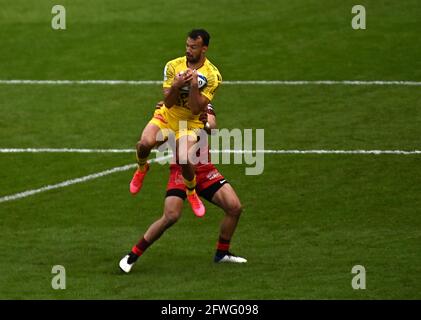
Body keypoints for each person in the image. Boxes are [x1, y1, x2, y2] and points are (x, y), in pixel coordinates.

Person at [119, 103, 247, 273]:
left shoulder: (204, 104)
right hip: (181, 172)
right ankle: (132, 255)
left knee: (234, 207)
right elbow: (158, 136)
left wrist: (206, 124)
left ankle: (222, 253)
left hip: (204, 169)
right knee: (170, 216)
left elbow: (212, 127)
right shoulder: (171, 107)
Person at [130, 29, 222, 218]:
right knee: (144, 144)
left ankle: (191, 191)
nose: (189, 50)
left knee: (183, 157)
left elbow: (197, 110)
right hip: (167, 116)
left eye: (194, 47)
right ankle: (142, 167)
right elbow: (169, 101)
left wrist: (194, 86)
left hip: (190, 122)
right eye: (187, 46)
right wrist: (176, 85)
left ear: (204, 48)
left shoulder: (213, 75)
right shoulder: (173, 66)